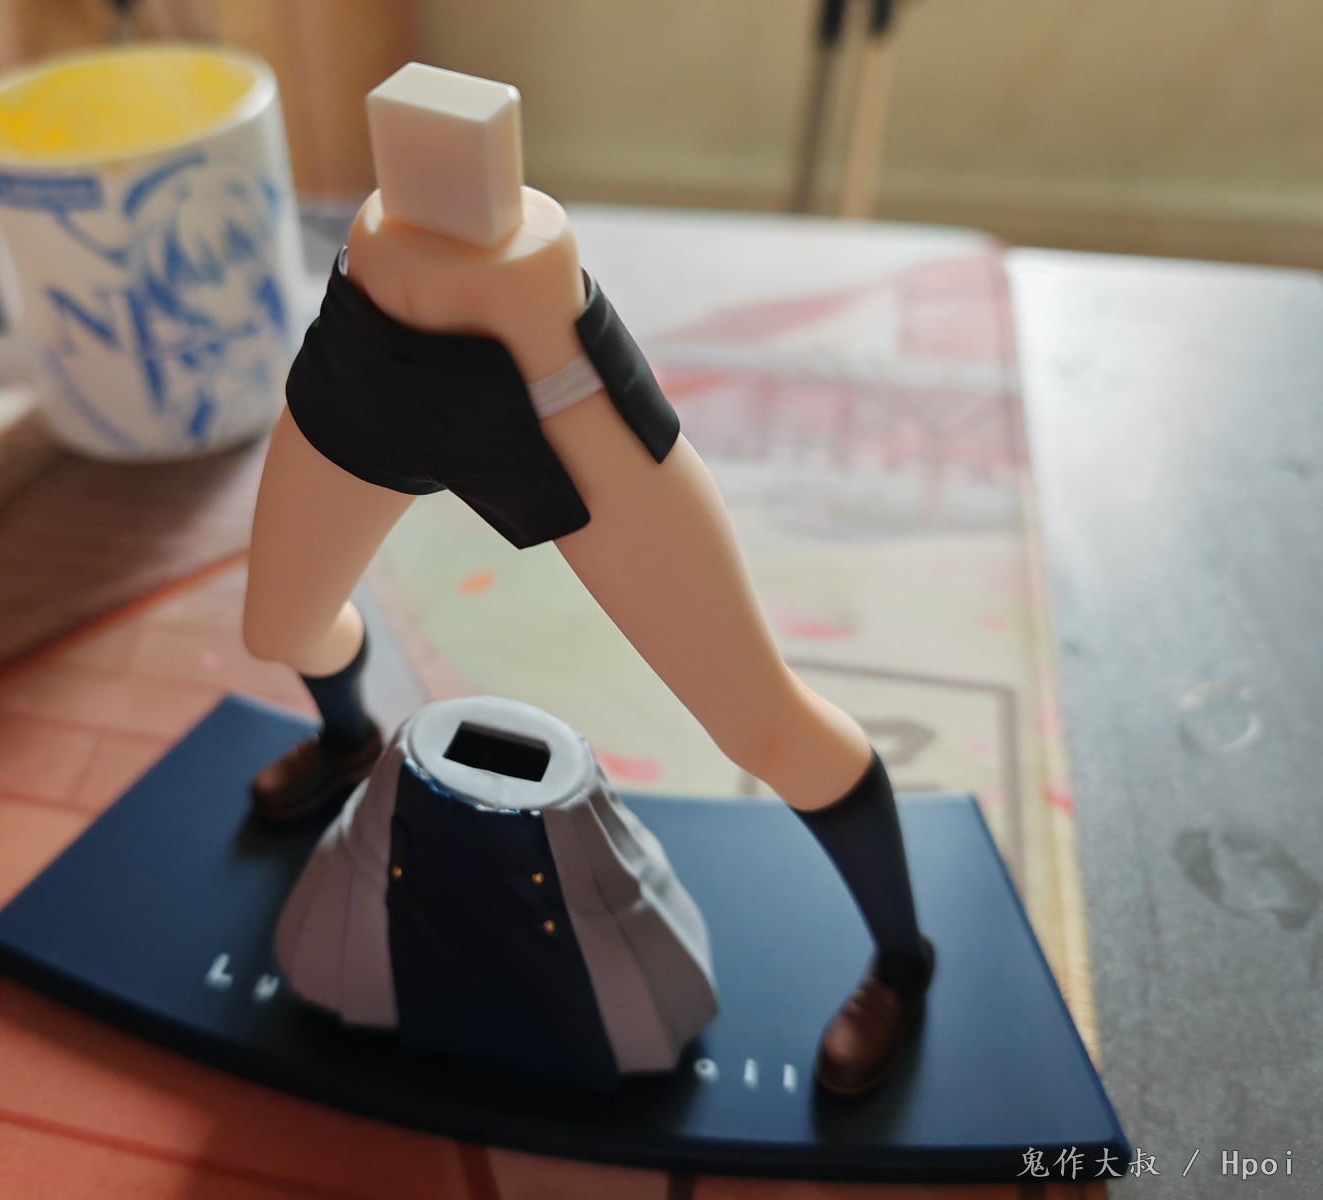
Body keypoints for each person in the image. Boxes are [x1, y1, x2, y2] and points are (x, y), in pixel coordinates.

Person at [241, 63, 933, 1098]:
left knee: (759, 719)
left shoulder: (534, 254)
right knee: (280, 627)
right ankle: (347, 739)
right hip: (368, 368)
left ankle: (903, 961)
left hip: (556, 401)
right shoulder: (380, 234)